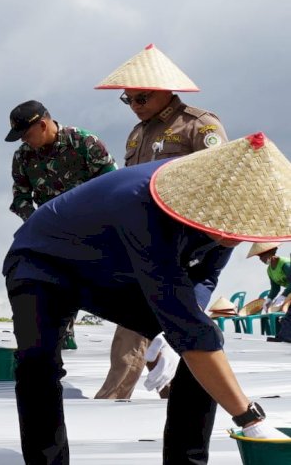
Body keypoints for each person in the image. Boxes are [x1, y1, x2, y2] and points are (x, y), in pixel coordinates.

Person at [3, 133, 290, 464]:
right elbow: (174, 302)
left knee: (204, 341)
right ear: (209, 200)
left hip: (112, 270)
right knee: (38, 362)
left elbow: (204, 278)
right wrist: (249, 418)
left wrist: (186, 320)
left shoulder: (229, 221)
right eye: (227, 226)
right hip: (43, 262)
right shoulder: (145, 205)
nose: (230, 237)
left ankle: (186, 461)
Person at [93, 44, 229, 400]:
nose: (135, 106)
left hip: (187, 237)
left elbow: (222, 180)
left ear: (166, 91)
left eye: (141, 98)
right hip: (143, 235)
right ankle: (171, 390)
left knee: (158, 315)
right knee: (150, 314)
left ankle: (114, 396)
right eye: (129, 100)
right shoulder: (138, 134)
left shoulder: (199, 125)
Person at [5, 99, 117, 350]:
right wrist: (34, 222)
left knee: (87, 282)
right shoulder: (22, 157)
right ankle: (56, 335)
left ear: (43, 125)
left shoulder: (85, 143)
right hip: (49, 231)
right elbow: (21, 197)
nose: (24, 140)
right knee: (42, 280)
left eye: (26, 134)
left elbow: (114, 187)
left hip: (91, 228)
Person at [247, 242, 291, 313]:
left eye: (262, 255)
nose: (260, 259)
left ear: (270, 253)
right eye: (259, 257)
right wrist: (269, 299)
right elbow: (275, 288)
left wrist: (283, 296)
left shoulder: (286, 264)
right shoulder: (269, 270)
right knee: (272, 310)